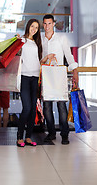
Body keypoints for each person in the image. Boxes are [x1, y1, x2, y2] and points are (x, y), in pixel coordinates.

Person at [41, 14, 78, 145]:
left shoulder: (61, 38)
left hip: (59, 74)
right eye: (45, 24)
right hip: (46, 75)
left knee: (61, 105)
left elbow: (68, 55)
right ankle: (51, 133)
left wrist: (75, 71)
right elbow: (39, 59)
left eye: (49, 23)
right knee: (46, 106)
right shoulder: (40, 39)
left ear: (53, 24)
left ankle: (64, 134)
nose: (47, 26)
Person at [17, 18, 42, 147]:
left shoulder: (37, 42)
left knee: (33, 109)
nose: (34, 29)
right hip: (25, 77)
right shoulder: (21, 40)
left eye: (36, 28)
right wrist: (16, 41)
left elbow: (37, 59)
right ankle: (19, 136)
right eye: (32, 26)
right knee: (26, 108)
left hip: (35, 77)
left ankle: (28, 137)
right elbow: (15, 54)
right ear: (28, 26)